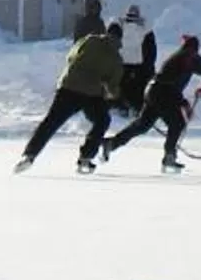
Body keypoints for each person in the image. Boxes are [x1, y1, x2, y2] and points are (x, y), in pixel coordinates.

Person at [17, 20, 124, 173]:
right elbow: (112, 89)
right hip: (92, 94)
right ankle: (86, 158)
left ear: (106, 33)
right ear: (120, 39)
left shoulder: (88, 40)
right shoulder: (116, 58)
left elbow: (71, 57)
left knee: (51, 122)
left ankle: (29, 154)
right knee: (102, 120)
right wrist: (113, 91)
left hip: (68, 87)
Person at [104, 32, 201, 170]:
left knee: (142, 125)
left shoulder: (186, 57)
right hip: (161, 92)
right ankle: (169, 157)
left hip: (153, 91)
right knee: (177, 123)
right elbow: (171, 87)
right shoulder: (184, 59)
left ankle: (111, 144)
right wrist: (187, 102)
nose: (192, 54)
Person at [117, 3, 159, 110]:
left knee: (123, 87)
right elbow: (151, 51)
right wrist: (149, 67)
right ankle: (139, 108)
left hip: (123, 65)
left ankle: (122, 107)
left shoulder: (120, 29)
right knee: (140, 88)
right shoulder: (146, 31)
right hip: (141, 66)